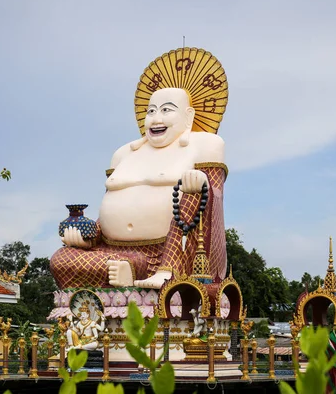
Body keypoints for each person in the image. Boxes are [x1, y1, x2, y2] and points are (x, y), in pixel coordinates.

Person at [50, 48, 229, 290]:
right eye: (151, 111)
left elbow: (215, 198)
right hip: (113, 252)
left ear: (188, 116)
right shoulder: (124, 154)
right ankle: (133, 267)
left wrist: (203, 185)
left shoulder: (204, 145)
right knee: (61, 260)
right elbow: (110, 212)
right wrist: (87, 234)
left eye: (166, 110)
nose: (156, 118)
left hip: (175, 252)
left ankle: (167, 272)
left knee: (191, 190)